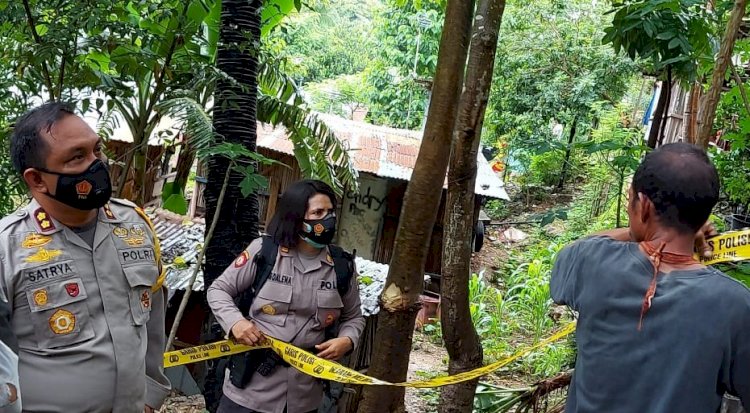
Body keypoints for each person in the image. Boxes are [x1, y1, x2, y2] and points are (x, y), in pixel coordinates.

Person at [550, 142, 750, 412]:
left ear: (643, 206)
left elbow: (576, 249)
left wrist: (633, 231)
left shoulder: (591, 261)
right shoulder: (736, 306)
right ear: (704, 214)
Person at [1, 102, 171, 412]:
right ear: (37, 179)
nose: (97, 166)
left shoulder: (135, 225)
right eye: (77, 157)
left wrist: (150, 395)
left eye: (97, 151)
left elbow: (154, 317)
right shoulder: (8, 248)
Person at [208, 179, 365, 413]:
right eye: (318, 212)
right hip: (249, 391)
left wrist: (348, 340)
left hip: (304, 396)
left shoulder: (342, 267)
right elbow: (218, 289)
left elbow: (354, 317)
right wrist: (236, 323)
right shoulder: (265, 252)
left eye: (330, 212)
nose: (327, 219)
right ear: (296, 217)